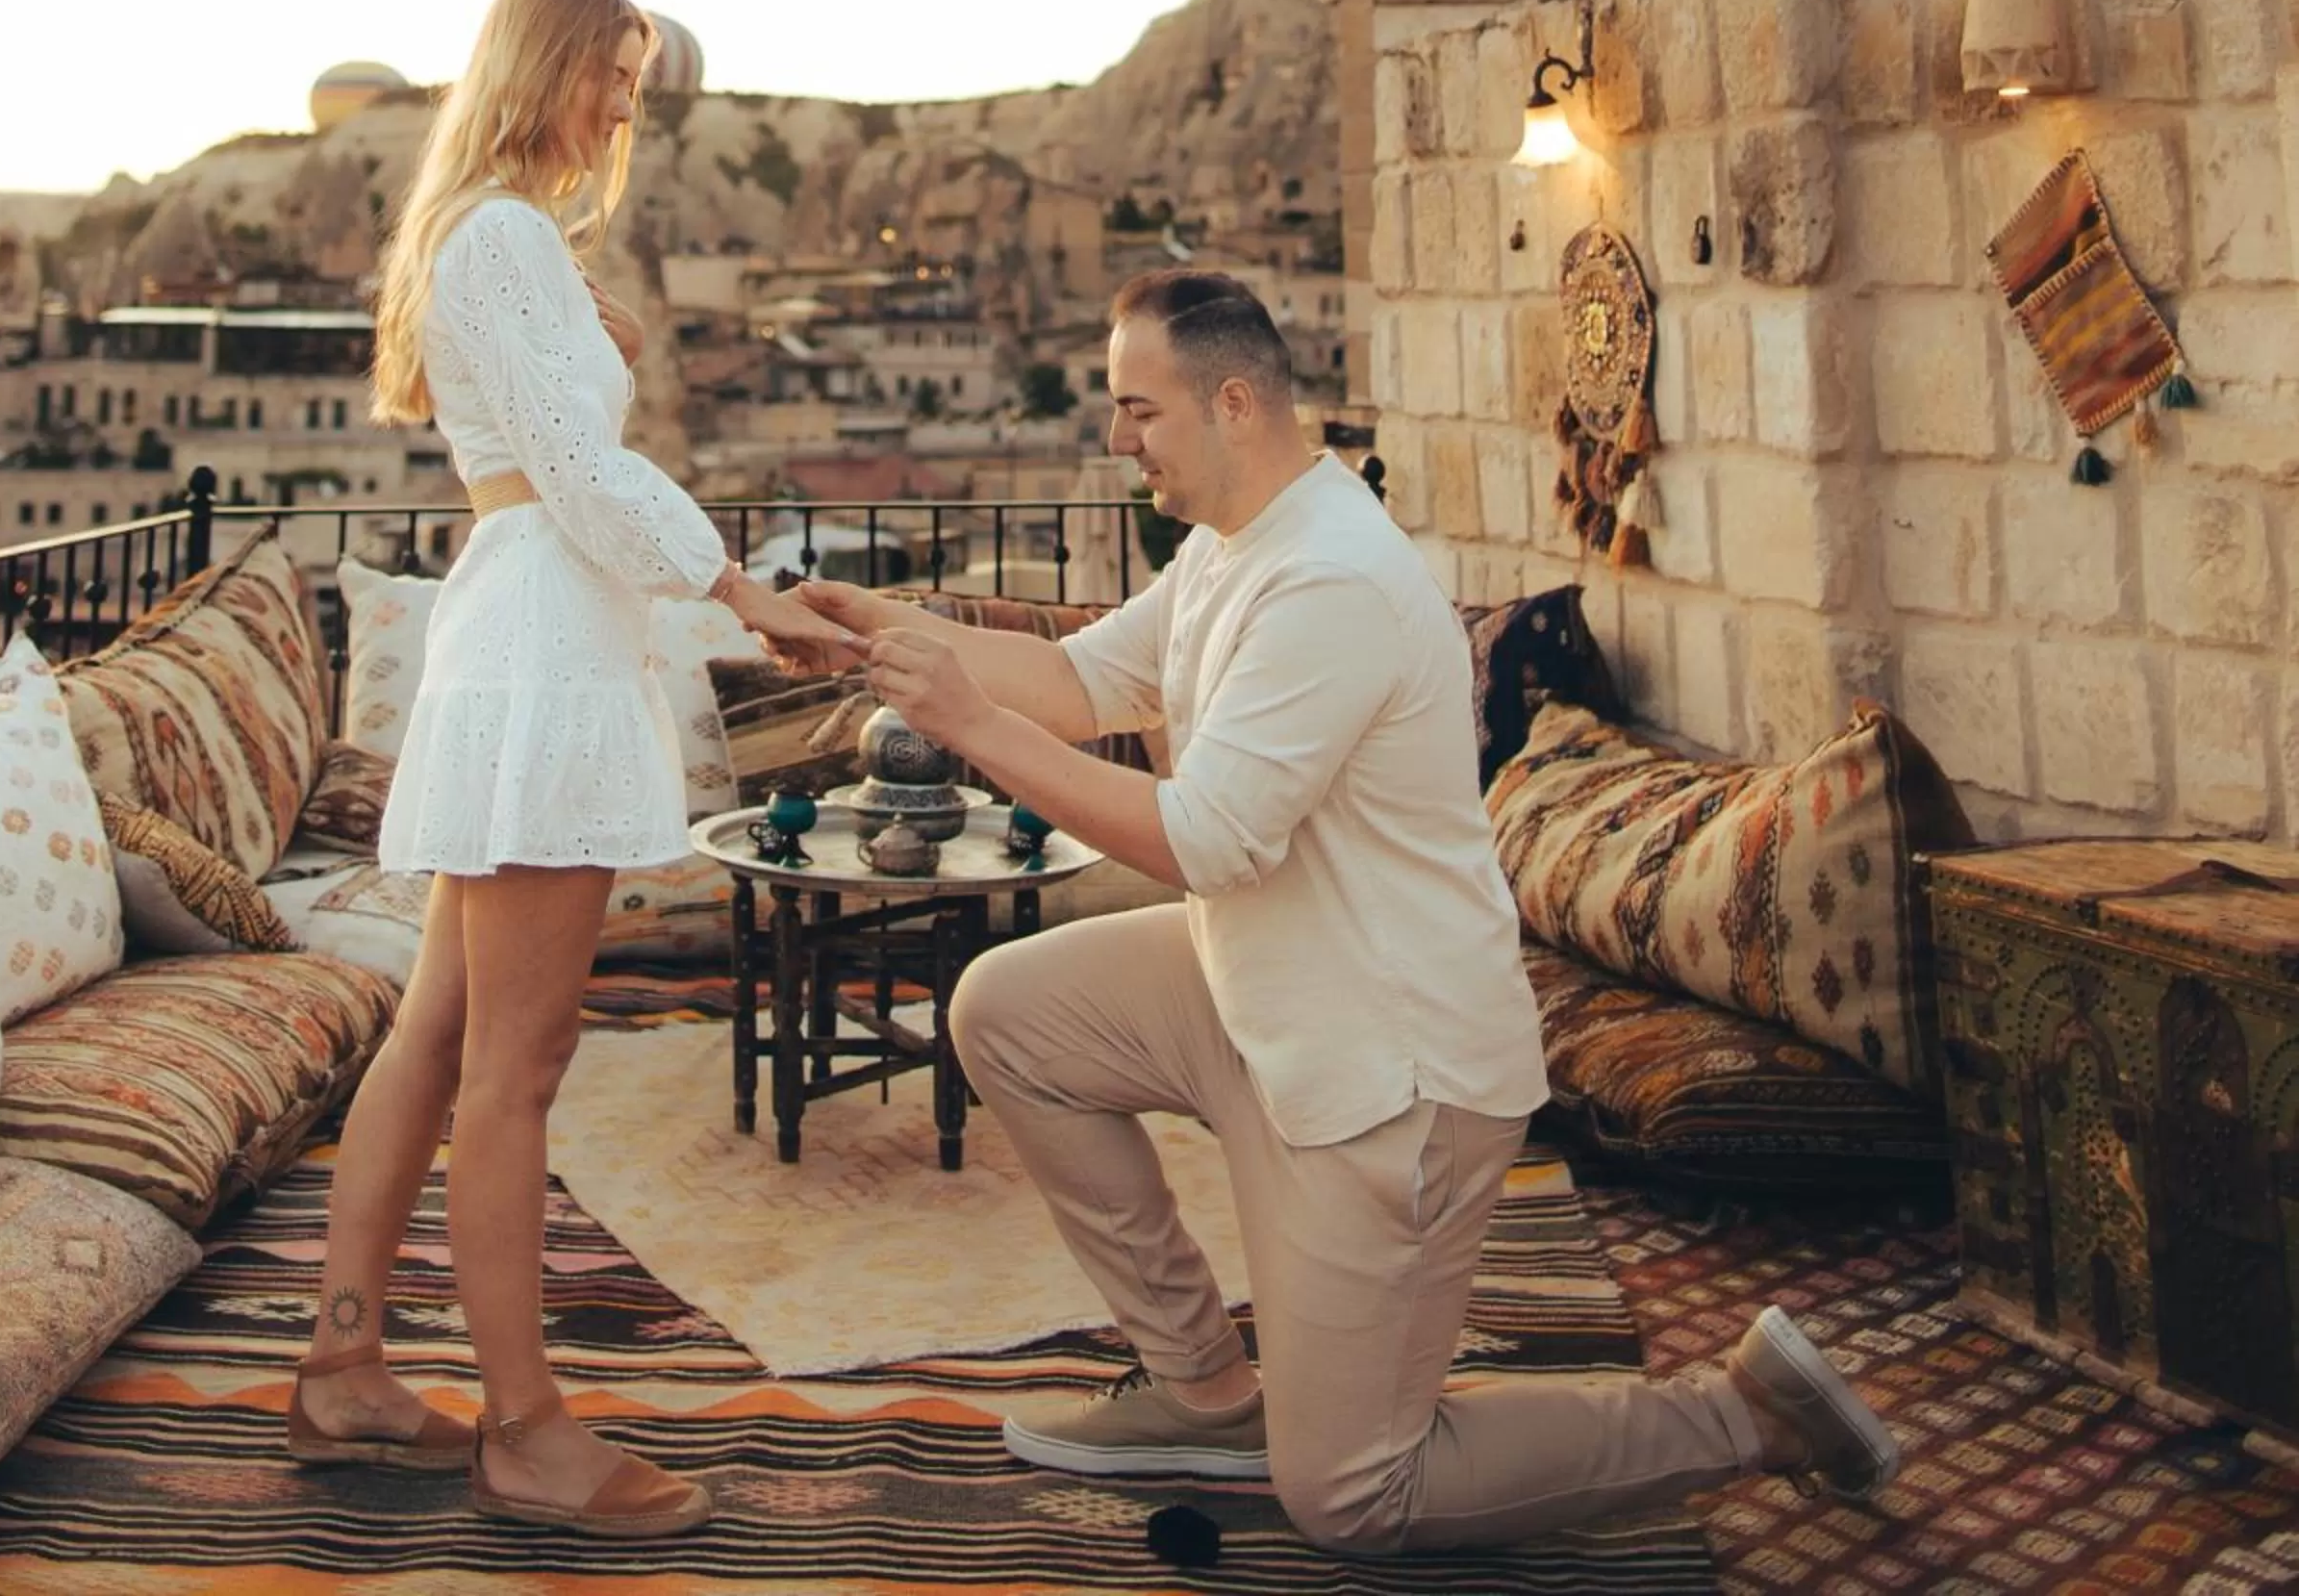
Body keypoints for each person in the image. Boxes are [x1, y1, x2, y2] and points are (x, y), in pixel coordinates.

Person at [796, 268, 1899, 1554]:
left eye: (1136, 409)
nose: (1116, 439)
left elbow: (1206, 836)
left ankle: (1746, 1413)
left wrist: (962, 720)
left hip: (1394, 1072)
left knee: (1356, 1496)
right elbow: (1081, 678)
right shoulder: (1232, 545)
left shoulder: (1329, 583)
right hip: (1269, 992)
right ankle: (1204, 1391)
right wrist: (865, 630)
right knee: (1013, 1012)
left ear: (1235, 402)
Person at [285, 0, 856, 1540]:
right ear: (544, 66)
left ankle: (341, 1371)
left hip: (514, 623)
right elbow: (585, 472)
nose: (627, 106)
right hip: (545, 635)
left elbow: (548, 446)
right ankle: (525, 1427)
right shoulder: (509, 235)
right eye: (612, 73)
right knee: (515, 1072)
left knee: (439, 1036)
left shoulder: (475, 233)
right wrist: (742, 591)